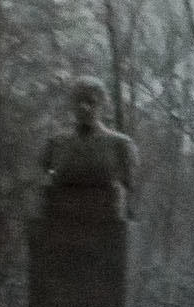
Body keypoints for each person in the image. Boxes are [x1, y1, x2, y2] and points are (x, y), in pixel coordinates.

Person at [41, 76, 139, 215]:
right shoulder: (56, 144)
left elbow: (128, 185)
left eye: (90, 101)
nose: (84, 107)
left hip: (106, 214)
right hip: (62, 216)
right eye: (79, 101)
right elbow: (46, 171)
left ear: (102, 105)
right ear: (72, 104)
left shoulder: (121, 145)